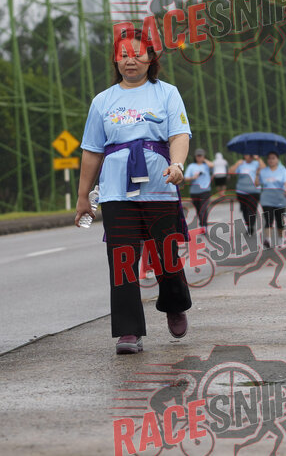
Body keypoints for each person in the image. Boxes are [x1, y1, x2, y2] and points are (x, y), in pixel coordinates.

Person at [76, 34, 192, 355]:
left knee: (166, 255)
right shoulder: (103, 101)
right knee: (122, 258)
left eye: (138, 54)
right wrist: (83, 196)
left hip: (159, 186)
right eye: (123, 54)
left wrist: (177, 164)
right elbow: (91, 151)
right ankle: (129, 330)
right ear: (116, 60)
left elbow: (179, 134)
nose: (130, 60)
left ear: (151, 59)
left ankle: (174, 304)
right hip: (116, 191)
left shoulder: (166, 93)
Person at [256, 151, 286, 248]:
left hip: (280, 199)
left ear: (277, 160)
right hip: (266, 199)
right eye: (269, 158)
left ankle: (280, 239)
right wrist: (257, 173)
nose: (271, 160)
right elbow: (257, 184)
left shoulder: (282, 170)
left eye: (273, 158)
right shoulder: (263, 171)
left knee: (280, 221)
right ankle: (268, 240)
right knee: (268, 219)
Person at [230, 154, 265, 236]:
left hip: (254, 191)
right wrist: (237, 164)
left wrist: (259, 158)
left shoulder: (257, 163)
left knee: (251, 209)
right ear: (244, 155)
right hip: (241, 191)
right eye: (248, 154)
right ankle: (248, 224)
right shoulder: (240, 163)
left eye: (251, 154)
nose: (250, 156)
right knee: (244, 209)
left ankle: (251, 226)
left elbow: (264, 169)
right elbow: (231, 172)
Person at [183, 148, 213, 228]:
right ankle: (202, 224)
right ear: (195, 157)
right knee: (199, 210)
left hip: (205, 191)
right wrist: (193, 177)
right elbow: (186, 178)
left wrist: (204, 160)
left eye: (201, 156)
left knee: (203, 209)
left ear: (203, 156)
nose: (199, 157)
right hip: (194, 192)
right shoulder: (191, 166)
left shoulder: (206, 165)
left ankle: (204, 226)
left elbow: (212, 165)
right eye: (198, 156)